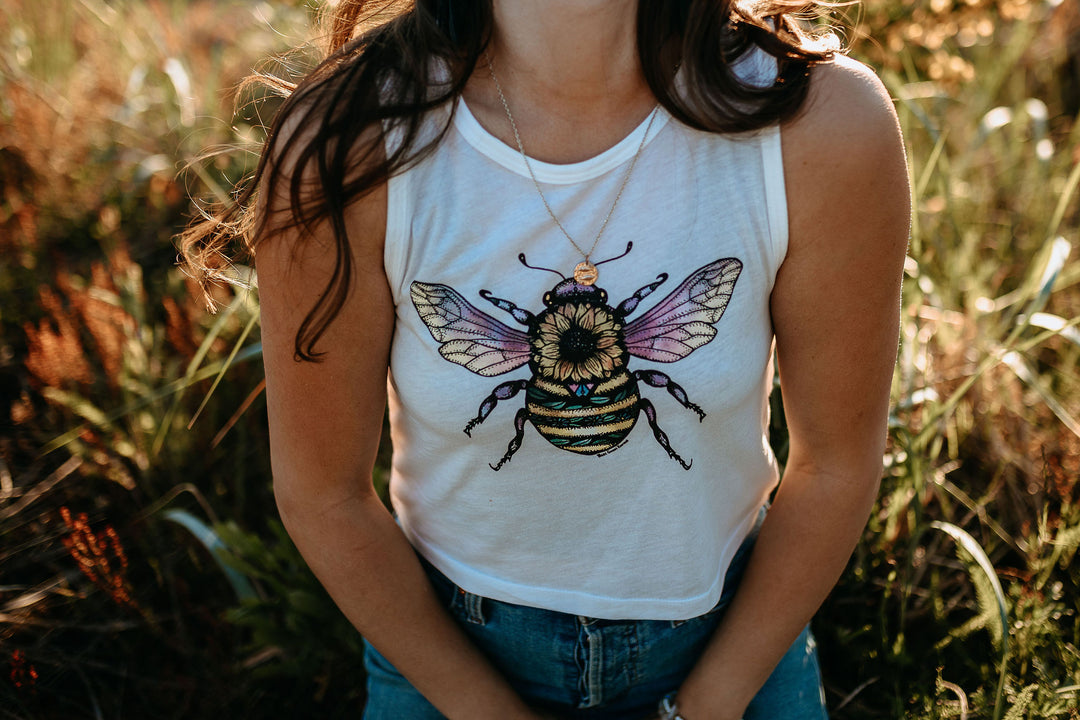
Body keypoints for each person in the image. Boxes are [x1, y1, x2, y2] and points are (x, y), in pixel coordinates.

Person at [181, 0, 909, 717]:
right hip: (448, 658)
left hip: (737, 641)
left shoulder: (817, 123)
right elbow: (324, 496)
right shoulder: (349, 142)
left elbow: (836, 466)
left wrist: (710, 702)